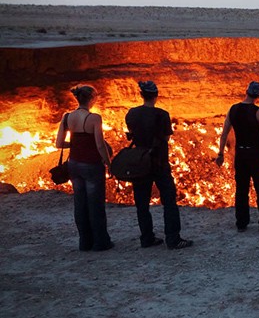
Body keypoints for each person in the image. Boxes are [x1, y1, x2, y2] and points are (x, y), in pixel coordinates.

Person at [125, 81, 192, 250]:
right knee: (169, 201)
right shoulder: (162, 115)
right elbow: (166, 137)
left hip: (140, 163)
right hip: (159, 163)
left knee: (142, 203)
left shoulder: (132, 114)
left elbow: (131, 133)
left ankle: (147, 238)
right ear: (156, 96)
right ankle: (173, 239)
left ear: (141, 95)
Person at [55, 84, 114, 251]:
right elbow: (100, 145)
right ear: (92, 99)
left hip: (74, 164)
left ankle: (84, 242)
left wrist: (75, 143)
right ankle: (101, 242)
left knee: (80, 203)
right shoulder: (94, 118)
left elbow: (59, 143)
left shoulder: (67, 117)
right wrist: (109, 163)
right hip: (92, 165)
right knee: (95, 204)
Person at [216, 81, 259, 231]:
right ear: (258, 95)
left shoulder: (233, 109)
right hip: (256, 155)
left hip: (240, 154)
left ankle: (241, 223)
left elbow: (224, 133)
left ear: (245, 92)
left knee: (241, 189)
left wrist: (220, 153)